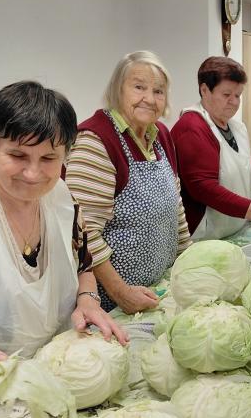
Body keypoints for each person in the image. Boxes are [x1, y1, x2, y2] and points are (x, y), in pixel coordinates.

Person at [0, 81, 128, 418]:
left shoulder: (62, 200)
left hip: (42, 394)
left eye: (50, 158)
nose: (34, 173)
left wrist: (87, 299)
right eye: (17, 156)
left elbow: (83, 265)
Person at [66, 51, 190, 313]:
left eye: (158, 91)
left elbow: (176, 208)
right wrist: (120, 292)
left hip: (158, 289)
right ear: (117, 89)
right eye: (138, 87)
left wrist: (188, 263)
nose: (149, 98)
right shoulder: (97, 140)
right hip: (112, 303)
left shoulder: (161, 136)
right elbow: (84, 233)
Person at [172, 57, 251, 240]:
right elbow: (204, 188)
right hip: (206, 236)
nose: (234, 102)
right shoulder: (192, 127)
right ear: (204, 90)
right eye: (226, 95)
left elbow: (246, 166)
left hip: (233, 227)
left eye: (238, 95)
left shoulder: (235, 126)